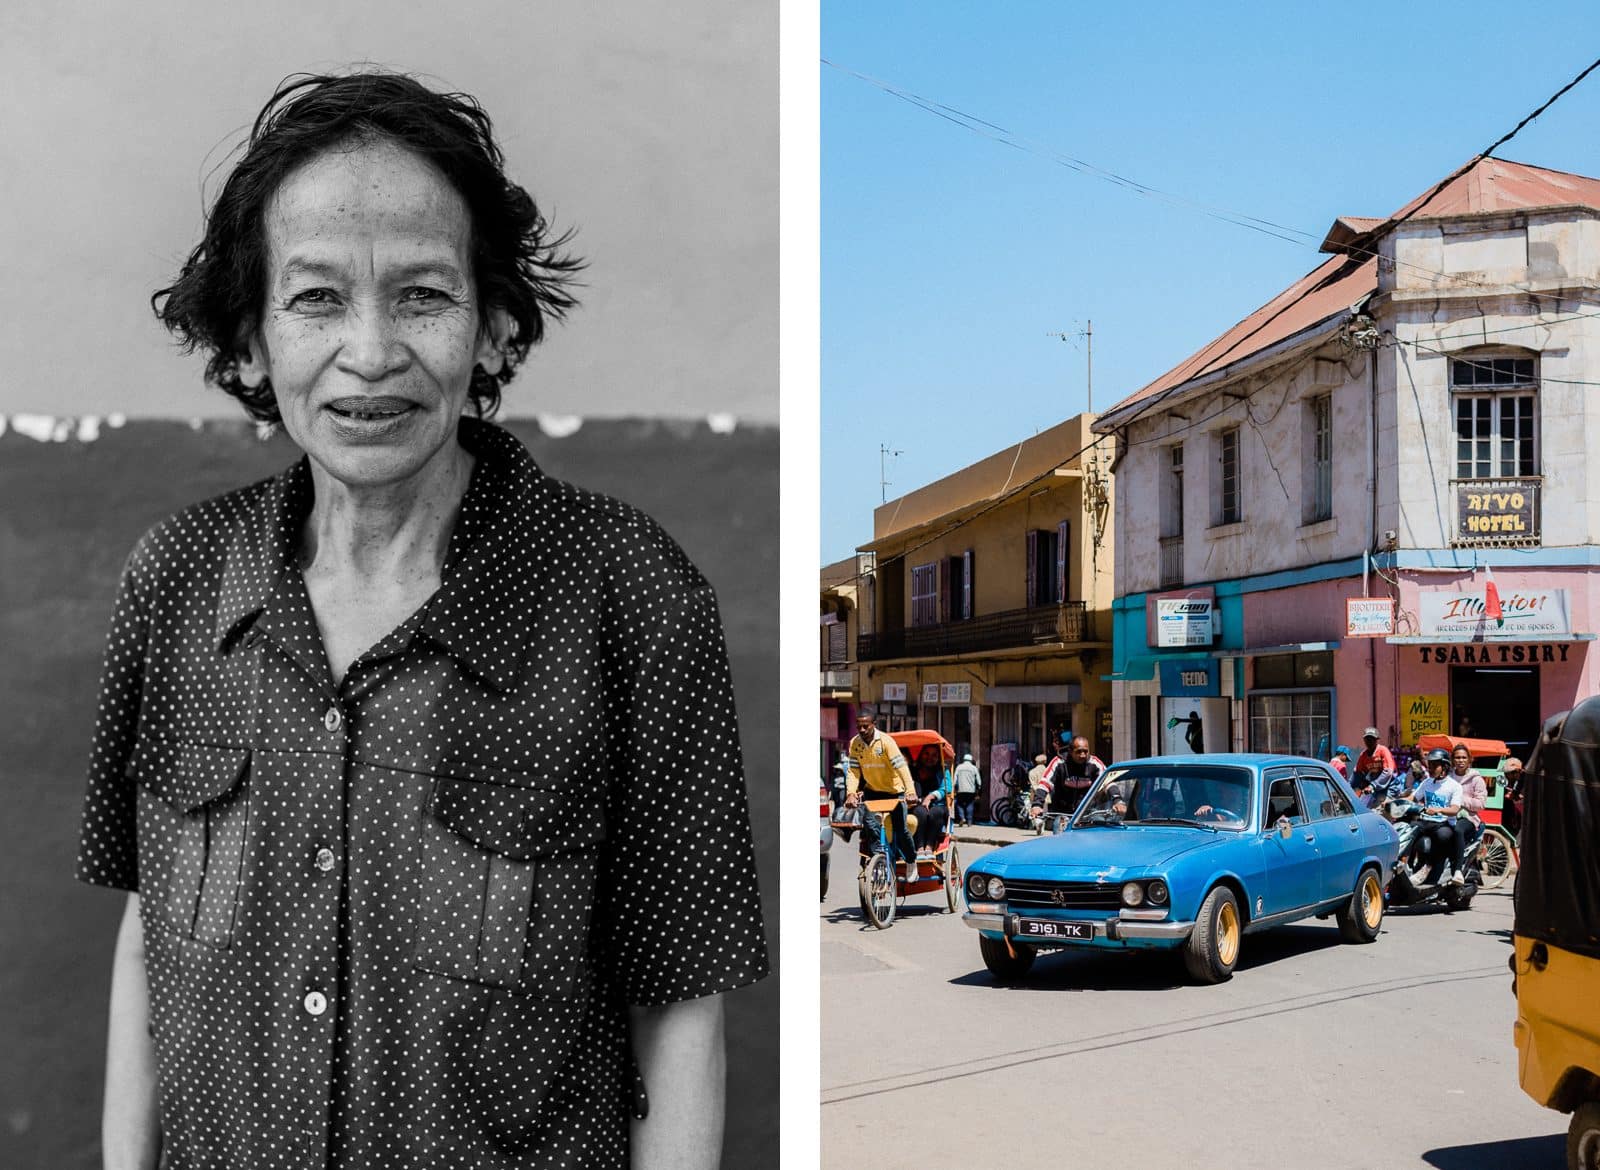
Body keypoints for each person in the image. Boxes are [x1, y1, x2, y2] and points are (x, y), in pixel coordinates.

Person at [74, 71, 768, 1170]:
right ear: (250, 342)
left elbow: (678, 1004)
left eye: (422, 296)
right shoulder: (178, 579)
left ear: (493, 328)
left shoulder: (631, 595)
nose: (371, 350)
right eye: (314, 299)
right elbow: (148, 939)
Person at [845, 712, 917, 872]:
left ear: (874, 724)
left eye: (866, 726)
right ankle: (879, 862)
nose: (862, 730)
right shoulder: (855, 743)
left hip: (895, 792)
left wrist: (910, 792)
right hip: (873, 792)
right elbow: (853, 771)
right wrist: (850, 793)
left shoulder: (886, 742)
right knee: (870, 826)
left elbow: (901, 767)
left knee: (901, 829)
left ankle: (911, 860)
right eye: (859, 727)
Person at [1404, 748, 1466, 884]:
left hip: (1443, 823)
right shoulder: (1426, 783)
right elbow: (1413, 797)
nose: (1430, 768)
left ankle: (1427, 868)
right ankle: (1405, 865)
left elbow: (1455, 809)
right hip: (1425, 821)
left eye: (1434, 765)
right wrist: (1395, 802)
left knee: (1443, 836)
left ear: (1444, 767)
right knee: (1408, 829)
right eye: (1429, 765)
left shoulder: (1454, 786)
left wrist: (1439, 810)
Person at [1033, 734, 1106, 820]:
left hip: (1088, 813)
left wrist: (1117, 800)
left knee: (1100, 824)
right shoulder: (1059, 762)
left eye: (1085, 751)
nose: (1082, 755)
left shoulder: (1095, 764)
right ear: (1070, 751)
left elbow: (1107, 782)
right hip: (1063, 813)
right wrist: (1037, 805)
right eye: (1078, 752)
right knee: (1059, 828)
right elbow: (1045, 783)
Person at [908, 745, 951, 852]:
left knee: (935, 813)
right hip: (917, 804)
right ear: (921, 755)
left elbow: (947, 788)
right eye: (926, 754)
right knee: (919, 812)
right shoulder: (913, 770)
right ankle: (920, 847)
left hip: (938, 805)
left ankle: (930, 846)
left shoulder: (942, 770)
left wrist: (931, 796)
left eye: (934, 755)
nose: (929, 757)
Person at [952, 752, 982, 826]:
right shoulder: (974, 768)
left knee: (959, 804)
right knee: (970, 805)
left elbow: (954, 779)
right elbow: (978, 780)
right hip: (971, 790)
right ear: (971, 760)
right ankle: (969, 821)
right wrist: (979, 788)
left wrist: (953, 787)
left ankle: (962, 817)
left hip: (961, 790)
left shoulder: (959, 767)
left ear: (964, 759)